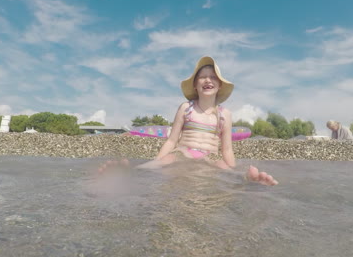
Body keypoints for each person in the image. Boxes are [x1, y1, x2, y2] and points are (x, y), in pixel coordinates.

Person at [99, 56, 278, 186]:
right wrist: (158, 161)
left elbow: (227, 149)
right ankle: (129, 173)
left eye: (213, 77)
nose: (208, 79)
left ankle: (247, 180)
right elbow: (171, 140)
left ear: (220, 85)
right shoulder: (186, 108)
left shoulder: (225, 115)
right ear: (195, 84)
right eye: (202, 76)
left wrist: (231, 168)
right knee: (164, 161)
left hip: (209, 157)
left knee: (224, 167)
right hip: (182, 153)